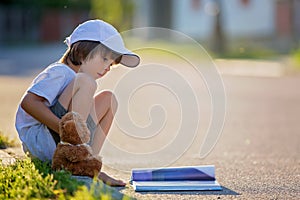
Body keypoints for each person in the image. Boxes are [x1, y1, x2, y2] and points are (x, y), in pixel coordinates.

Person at [15, 19, 140, 186]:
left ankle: (87, 163)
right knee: (86, 81)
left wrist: (73, 135)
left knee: (109, 99)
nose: (107, 68)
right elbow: (29, 103)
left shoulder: (78, 80)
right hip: (41, 138)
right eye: (104, 59)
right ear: (82, 52)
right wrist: (65, 130)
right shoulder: (60, 72)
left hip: (61, 140)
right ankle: (76, 156)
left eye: (111, 64)